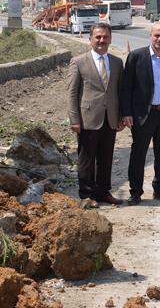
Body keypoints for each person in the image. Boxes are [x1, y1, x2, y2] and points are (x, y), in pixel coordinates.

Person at [121, 22, 160, 206]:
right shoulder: (136, 56)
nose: (159, 39)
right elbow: (126, 88)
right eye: (156, 35)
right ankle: (136, 192)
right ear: (150, 35)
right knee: (138, 154)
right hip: (142, 115)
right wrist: (127, 113)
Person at [67, 23, 125, 209]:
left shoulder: (116, 63)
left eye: (105, 37)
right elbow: (71, 93)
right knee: (87, 159)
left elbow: (119, 91)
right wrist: (74, 119)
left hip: (110, 118)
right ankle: (86, 194)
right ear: (90, 39)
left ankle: (103, 192)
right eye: (98, 37)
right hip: (87, 119)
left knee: (106, 158)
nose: (101, 41)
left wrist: (121, 116)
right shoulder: (79, 62)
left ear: (110, 39)